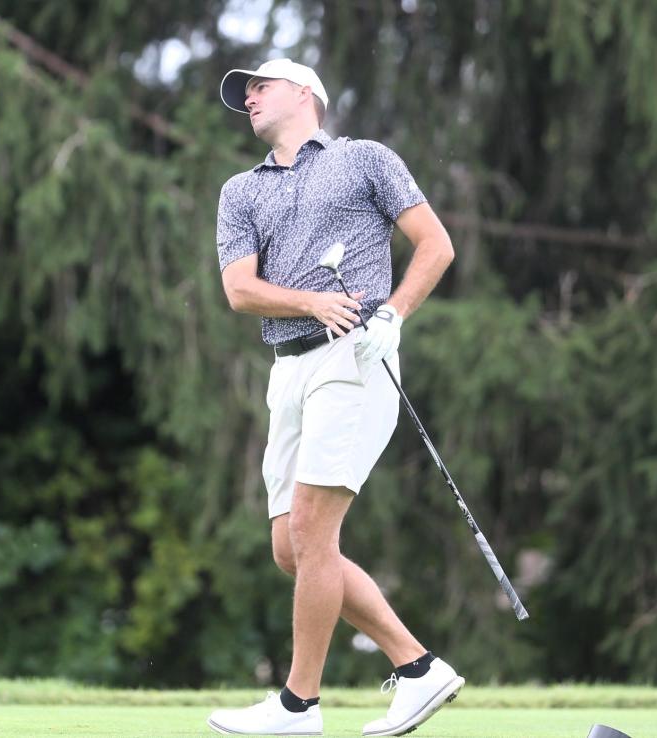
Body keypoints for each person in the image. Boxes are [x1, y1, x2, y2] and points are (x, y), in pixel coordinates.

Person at [208, 58, 461, 737]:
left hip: (354, 354)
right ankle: (418, 669)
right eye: (246, 94)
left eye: (261, 86)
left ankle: (298, 705)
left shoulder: (364, 161)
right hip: (286, 370)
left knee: (314, 533)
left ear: (303, 92)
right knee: (290, 548)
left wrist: (393, 315)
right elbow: (239, 289)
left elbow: (435, 245)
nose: (251, 99)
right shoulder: (241, 192)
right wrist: (311, 300)